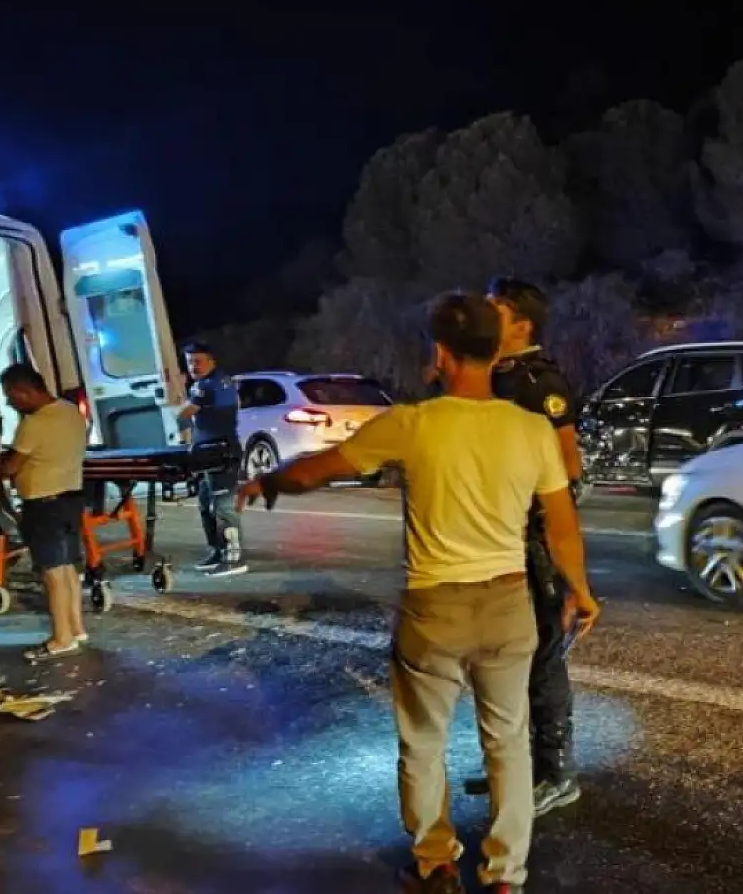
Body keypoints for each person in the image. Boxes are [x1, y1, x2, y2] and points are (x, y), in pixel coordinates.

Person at [236, 292, 601, 894]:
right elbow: (561, 525)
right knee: (508, 741)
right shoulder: (532, 429)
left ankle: (435, 864)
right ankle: (505, 873)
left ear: (441, 353)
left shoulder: (413, 424)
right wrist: (580, 592)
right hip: (510, 604)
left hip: (435, 609)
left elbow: (323, 467)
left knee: (424, 741)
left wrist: (269, 480)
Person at [485, 276, 586, 817]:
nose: (484, 314)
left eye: (494, 308)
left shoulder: (536, 380)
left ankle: (557, 772)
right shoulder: (491, 378)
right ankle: (518, 763)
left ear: (521, 323)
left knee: (543, 660)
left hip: (531, 539)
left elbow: (568, 465)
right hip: (495, 536)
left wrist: (560, 556)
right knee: (505, 658)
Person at [0, 364, 89, 662]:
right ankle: (76, 629)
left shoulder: (33, 424)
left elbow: (11, 467)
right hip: (71, 498)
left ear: (24, 391)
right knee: (68, 569)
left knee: (52, 573)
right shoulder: (70, 411)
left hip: (43, 504)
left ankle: (60, 637)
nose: (10, 403)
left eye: (10, 396)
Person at [178, 341, 246, 576]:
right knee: (207, 504)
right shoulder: (218, 381)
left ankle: (233, 558)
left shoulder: (206, 386)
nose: (193, 366)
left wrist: (176, 426)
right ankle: (217, 551)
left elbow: (183, 414)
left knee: (223, 505)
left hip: (220, 452)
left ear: (211, 361)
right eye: (189, 362)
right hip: (209, 452)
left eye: (198, 361)